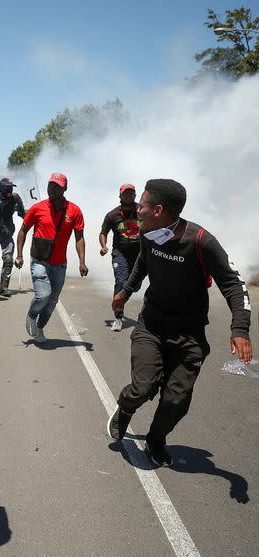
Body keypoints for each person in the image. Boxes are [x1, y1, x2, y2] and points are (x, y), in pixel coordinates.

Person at [107, 179, 252, 467]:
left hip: (188, 335)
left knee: (176, 402)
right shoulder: (148, 233)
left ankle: (156, 439)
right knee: (143, 387)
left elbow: (233, 284)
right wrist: (125, 292)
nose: (138, 207)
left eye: (143, 203)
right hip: (152, 325)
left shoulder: (200, 241)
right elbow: (142, 265)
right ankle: (126, 407)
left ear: (158, 209)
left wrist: (240, 330)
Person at [15, 172, 87, 343]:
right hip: (39, 259)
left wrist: (82, 262)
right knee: (43, 295)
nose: (52, 189)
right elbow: (23, 230)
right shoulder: (37, 208)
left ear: (65, 189)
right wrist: (19, 255)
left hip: (60, 263)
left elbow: (79, 238)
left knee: (53, 300)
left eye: (57, 187)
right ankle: (32, 315)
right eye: (50, 185)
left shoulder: (74, 211)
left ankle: (40, 328)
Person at [99, 183, 142, 331]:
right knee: (121, 280)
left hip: (140, 255)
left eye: (131, 193)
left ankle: (135, 284)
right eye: (125, 193)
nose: (128, 195)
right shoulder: (112, 215)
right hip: (120, 254)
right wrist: (104, 246)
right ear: (120, 196)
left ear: (135, 195)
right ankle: (118, 317)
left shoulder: (143, 211)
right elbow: (103, 232)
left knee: (135, 285)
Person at [0, 178, 26, 297]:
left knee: (9, 260)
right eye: (7, 187)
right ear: (1, 188)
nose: (10, 190)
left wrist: (32, 221)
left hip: (7, 233)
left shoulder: (15, 198)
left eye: (11, 187)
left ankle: (4, 287)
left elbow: (22, 213)